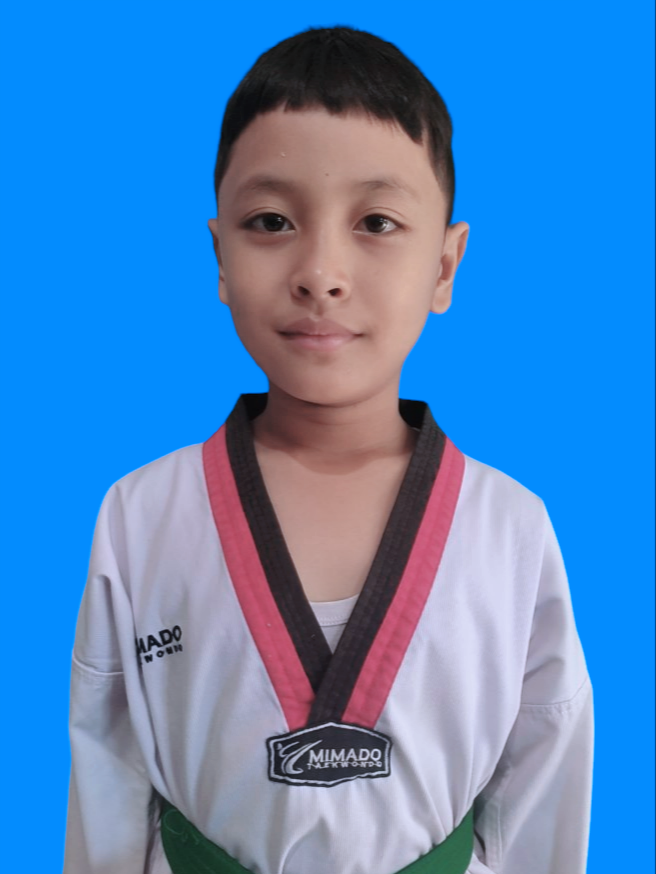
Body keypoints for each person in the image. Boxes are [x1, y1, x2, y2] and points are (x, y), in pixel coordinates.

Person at [64, 25, 593, 874]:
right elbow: (105, 773)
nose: (321, 271)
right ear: (220, 256)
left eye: (376, 222)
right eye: (271, 221)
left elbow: (545, 781)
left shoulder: (509, 527)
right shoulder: (142, 515)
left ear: (445, 266)